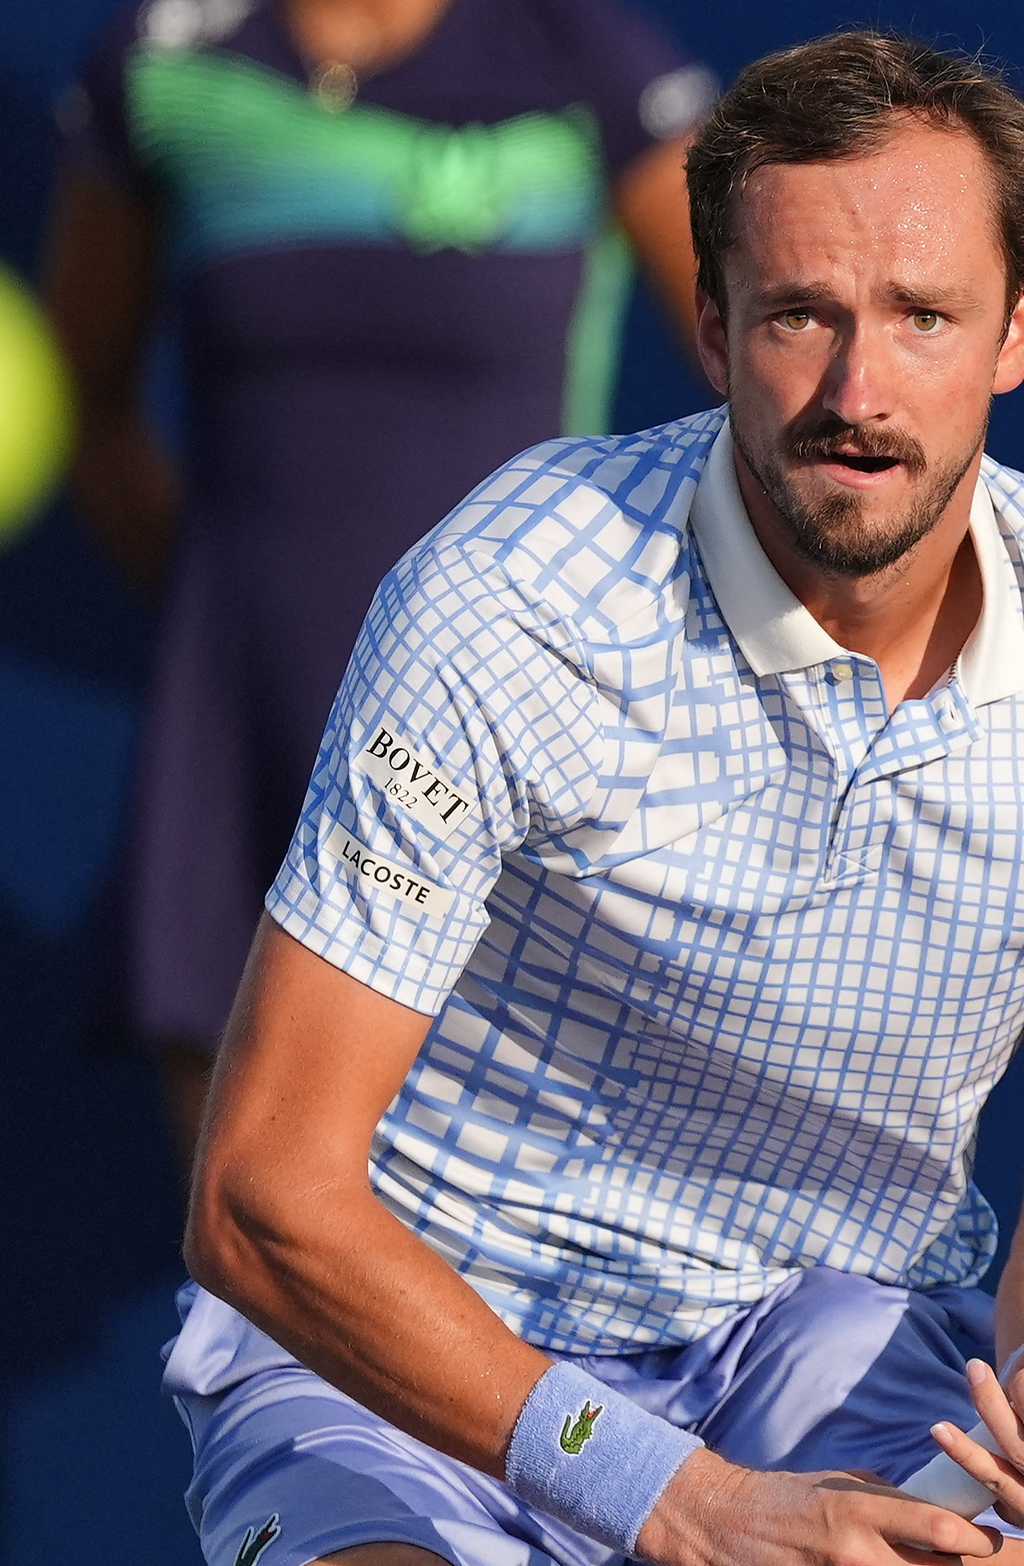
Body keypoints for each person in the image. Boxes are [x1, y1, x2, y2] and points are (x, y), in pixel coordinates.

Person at [176, 29, 1024, 1566]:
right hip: (422, 1328)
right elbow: (262, 1193)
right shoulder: (508, 606)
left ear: (1018, 328)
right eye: (800, 314)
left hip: (834, 1334)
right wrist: (675, 1497)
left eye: (922, 317)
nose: (857, 390)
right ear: (710, 319)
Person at [42, 0, 713, 1150]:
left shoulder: (581, 60)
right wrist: (219, 617)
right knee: (254, 1265)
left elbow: (774, 368)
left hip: (515, 747)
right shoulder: (165, 62)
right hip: (247, 740)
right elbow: (81, 403)